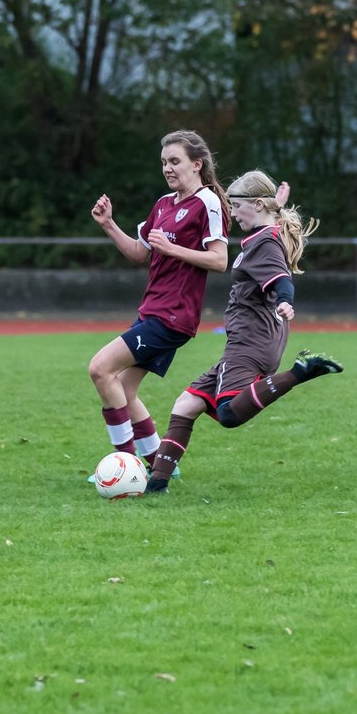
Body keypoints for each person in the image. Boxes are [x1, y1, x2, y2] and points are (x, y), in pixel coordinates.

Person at [144, 170, 343, 494]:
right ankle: (156, 486)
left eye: (236, 207)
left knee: (228, 415)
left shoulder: (264, 243)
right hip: (251, 341)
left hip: (250, 343)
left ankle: (301, 372)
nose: (232, 214)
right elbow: (271, 230)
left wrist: (285, 301)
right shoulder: (267, 233)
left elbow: (282, 280)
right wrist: (276, 206)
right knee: (186, 404)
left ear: (259, 205)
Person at [87, 130, 230, 475]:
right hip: (153, 311)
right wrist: (109, 225)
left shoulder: (207, 203)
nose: (168, 168)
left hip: (173, 316)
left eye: (175, 161)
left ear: (197, 164)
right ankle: (157, 462)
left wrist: (172, 249)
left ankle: (124, 464)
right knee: (123, 388)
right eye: (164, 162)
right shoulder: (164, 204)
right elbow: (140, 253)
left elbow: (220, 260)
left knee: (100, 369)